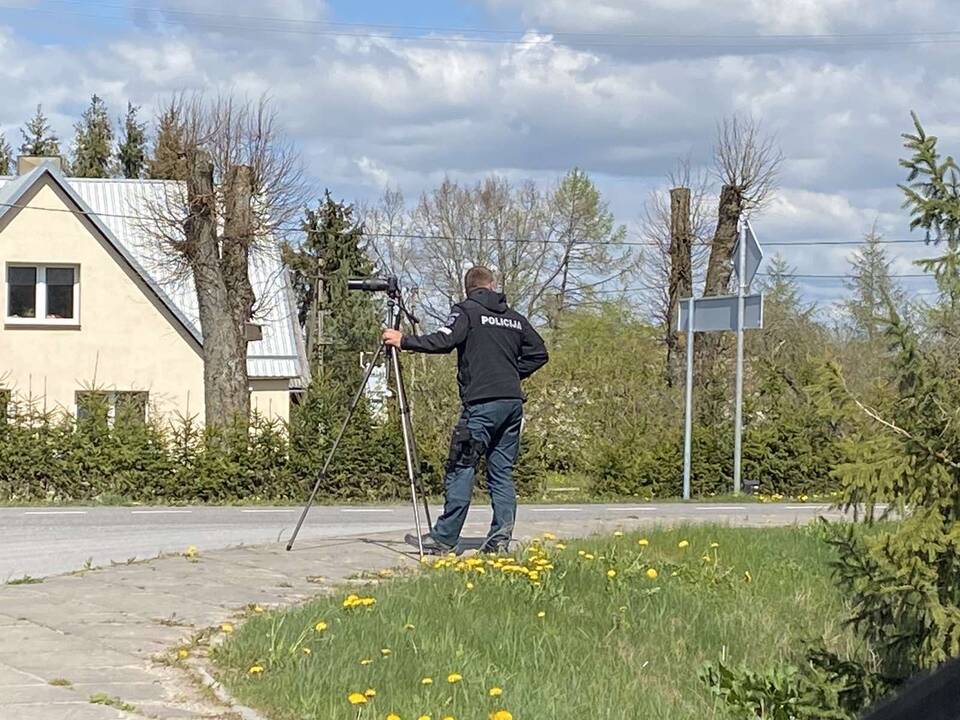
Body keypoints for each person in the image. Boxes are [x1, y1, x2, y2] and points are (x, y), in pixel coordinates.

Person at [382, 266, 548, 554]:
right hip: (511, 405)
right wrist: (509, 374)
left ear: (467, 289)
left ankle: (444, 538)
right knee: (501, 472)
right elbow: (540, 353)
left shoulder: (467, 311)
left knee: (461, 466)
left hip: (482, 405)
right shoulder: (514, 318)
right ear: (492, 286)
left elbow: (444, 340)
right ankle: (499, 540)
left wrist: (404, 341)